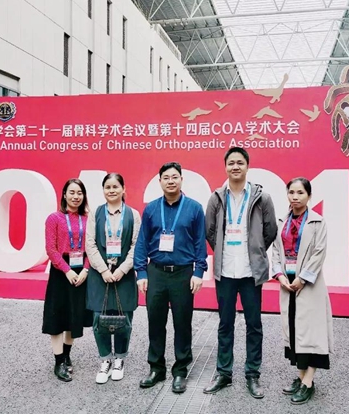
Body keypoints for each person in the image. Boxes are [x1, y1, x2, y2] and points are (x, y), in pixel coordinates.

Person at [203, 147, 278, 399]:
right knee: (225, 324)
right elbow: (209, 231)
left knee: (253, 324)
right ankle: (224, 372)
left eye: (240, 163)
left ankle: (252, 374)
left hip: (250, 272)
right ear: (225, 167)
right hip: (225, 271)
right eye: (231, 163)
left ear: (247, 166)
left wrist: (256, 250)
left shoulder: (261, 198)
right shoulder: (216, 197)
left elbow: (270, 230)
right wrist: (223, 250)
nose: (235, 167)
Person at [134, 162, 208, 394]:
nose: (170, 181)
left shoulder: (194, 208)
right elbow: (142, 241)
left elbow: (200, 242)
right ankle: (156, 368)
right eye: (166, 177)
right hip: (156, 272)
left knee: (182, 323)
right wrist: (141, 272)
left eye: (174, 177)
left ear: (181, 180)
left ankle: (180, 370)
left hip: (183, 273)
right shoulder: (151, 209)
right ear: (160, 182)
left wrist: (199, 271)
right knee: (155, 322)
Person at [271, 177, 333, 405]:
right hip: (287, 282)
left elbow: (319, 253)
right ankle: (300, 376)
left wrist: (302, 278)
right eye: (291, 192)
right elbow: (275, 251)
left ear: (309, 196)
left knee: (312, 332)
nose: (295, 197)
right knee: (295, 329)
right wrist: (279, 275)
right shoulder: (282, 221)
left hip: (308, 283)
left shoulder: (318, 222)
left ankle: (308, 382)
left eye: (300, 193)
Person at [85, 173, 141, 384]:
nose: (111, 190)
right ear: (103, 190)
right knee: (98, 318)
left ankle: (119, 360)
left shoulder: (133, 215)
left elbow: (137, 245)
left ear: (123, 189)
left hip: (124, 275)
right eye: (107, 187)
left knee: (124, 319)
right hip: (99, 275)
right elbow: (90, 244)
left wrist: (122, 270)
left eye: (115, 186)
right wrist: (103, 270)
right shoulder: (96, 214)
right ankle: (105, 360)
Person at [42, 178, 93, 382]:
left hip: (81, 271)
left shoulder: (88, 219)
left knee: (74, 316)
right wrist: (67, 270)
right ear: (64, 194)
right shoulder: (54, 218)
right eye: (72, 192)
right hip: (61, 271)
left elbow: (92, 248)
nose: (76, 196)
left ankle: (67, 355)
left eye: (79, 193)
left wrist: (86, 270)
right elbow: (51, 249)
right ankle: (58, 362)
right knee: (57, 316)